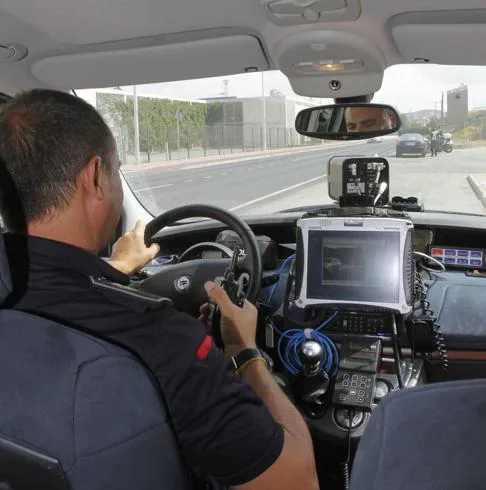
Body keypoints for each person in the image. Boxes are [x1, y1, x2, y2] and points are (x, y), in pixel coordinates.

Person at [0, 89, 319, 490]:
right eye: (117, 172)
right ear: (96, 177)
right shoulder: (161, 339)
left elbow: (58, 300)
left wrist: (113, 270)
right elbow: (298, 480)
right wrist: (244, 352)